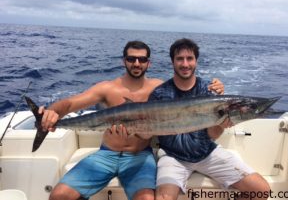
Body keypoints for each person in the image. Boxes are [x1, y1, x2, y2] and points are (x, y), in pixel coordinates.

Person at [39, 40, 225, 200]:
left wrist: (215, 87)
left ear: (148, 63)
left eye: (142, 59)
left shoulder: (159, 87)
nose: (137, 63)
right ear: (124, 61)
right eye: (131, 59)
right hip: (106, 155)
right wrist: (52, 112)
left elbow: (189, 92)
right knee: (59, 196)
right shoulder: (107, 88)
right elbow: (71, 104)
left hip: (140, 156)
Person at [149, 38, 271, 200]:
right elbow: (147, 129)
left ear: (196, 61)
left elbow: (212, 135)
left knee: (261, 190)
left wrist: (221, 124)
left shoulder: (209, 90)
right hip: (173, 157)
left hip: (207, 153)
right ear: (172, 62)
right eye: (180, 59)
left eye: (190, 58)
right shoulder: (159, 94)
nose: (185, 64)